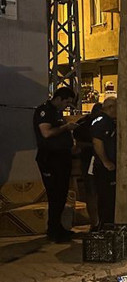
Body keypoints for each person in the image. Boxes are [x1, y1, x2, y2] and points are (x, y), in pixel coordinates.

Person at [33, 87, 80, 242]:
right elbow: (46, 133)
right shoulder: (45, 111)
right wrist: (66, 127)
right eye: (66, 102)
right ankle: (53, 230)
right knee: (55, 194)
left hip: (61, 157)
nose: (67, 106)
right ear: (59, 98)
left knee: (61, 194)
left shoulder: (56, 112)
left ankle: (57, 227)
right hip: (50, 158)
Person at [73, 103, 103, 228]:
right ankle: (95, 222)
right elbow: (78, 144)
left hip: (96, 160)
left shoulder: (86, 123)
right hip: (90, 160)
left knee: (97, 192)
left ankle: (99, 222)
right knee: (92, 192)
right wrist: (94, 146)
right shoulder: (84, 124)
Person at [91, 97, 118, 226]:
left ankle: (108, 224)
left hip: (107, 165)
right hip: (104, 168)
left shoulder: (108, 121)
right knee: (106, 198)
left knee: (109, 198)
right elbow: (97, 142)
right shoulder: (102, 122)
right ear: (111, 107)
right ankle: (105, 226)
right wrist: (105, 161)